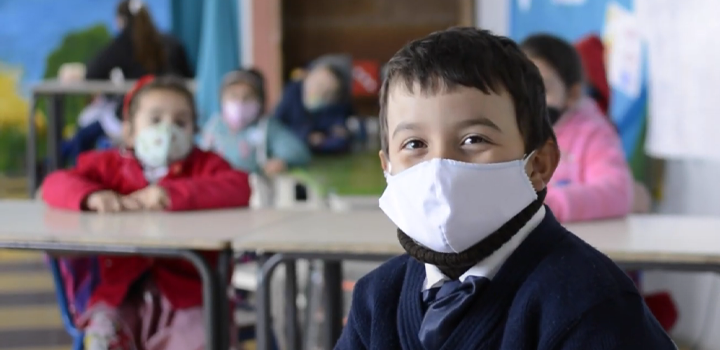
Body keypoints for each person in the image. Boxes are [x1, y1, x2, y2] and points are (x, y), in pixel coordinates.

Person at [336, 28, 675, 350]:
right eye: (414, 143)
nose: (439, 167)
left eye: (473, 139)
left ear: (539, 164)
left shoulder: (589, 303)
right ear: (388, 167)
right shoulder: (376, 299)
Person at [42, 76, 249, 349]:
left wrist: (173, 195)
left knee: (200, 339)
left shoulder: (206, 165)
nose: (168, 129)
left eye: (181, 122)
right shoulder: (110, 166)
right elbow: (55, 183)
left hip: (190, 295)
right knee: (101, 341)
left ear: (194, 130)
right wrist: (92, 197)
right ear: (129, 131)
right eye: (155, 119)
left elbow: (239, 187)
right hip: (119, 293)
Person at [60, 0, 194, 165]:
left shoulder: (124, 43)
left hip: (136, 113)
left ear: (120, 20)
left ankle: (73, 171)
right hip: (173, 117)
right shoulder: (170, 42)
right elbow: (188, 75)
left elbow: (94, 72)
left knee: (82, 138)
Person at [520, 33, 633, 223]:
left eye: (543, 90)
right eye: (521, 88)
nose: (529, 100)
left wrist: (546, 205)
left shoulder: (593, 133)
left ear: (572, 94)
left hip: (576, 242)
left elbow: (618, 192)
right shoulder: (509, 130)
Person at [200, 69, 311, 175]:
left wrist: (282, 161)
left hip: (253, 189)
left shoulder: (267, 127)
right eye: (233, 95)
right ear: (222, 99)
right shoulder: (214, 125)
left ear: (259, 102)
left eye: (247, 97)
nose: (240, 102)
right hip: (217, 188)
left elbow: (298, 152)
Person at [274, 60, 353, 154]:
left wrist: (321, 142)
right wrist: (307, 137)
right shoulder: (292, 92)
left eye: (328, 92)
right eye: (319, 84)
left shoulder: (335, 108)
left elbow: (341, 139)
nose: (318, 91)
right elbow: (276, 127)